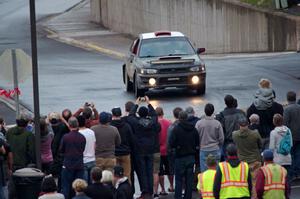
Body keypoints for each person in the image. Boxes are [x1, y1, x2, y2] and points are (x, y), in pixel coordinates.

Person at [127, 96, 161, 198]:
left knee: (142, 171)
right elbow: (155, 115)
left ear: (139, 114)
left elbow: (130, 116)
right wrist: (148, 103)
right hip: (150, 149)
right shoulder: (152, 122)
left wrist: (136, 104)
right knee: (150, 170)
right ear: (147, 114)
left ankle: (145, 191)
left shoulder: (136, 122)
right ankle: (150, 191)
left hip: (140, 150)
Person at [169, 111, 199, 199]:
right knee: (189, 180)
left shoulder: (176, 129)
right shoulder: (193, 129)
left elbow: (171, 143)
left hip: (180, 157)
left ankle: (178, 197)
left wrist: (177, 147)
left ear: (179, 118)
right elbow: (197, 142)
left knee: (178, 180)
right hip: (191, 157)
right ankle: (188, 196)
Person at [247, 79, 283, 150]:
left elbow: (248, 119)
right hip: (273, 134)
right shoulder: (278, 107)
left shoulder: (253, 106)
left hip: (258, 134)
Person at [232, 117, 262, 198]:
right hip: (255, 160)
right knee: (254, 182)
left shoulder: (234, 134)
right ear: (248, 124)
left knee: (242, 182)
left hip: (242, 162)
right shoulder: (255, 133)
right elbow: (260, 145)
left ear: (239, 125)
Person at [60, 117, 86, 199]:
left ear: (69, 125)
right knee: (78, 187)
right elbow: (83, 149)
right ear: (77, 124)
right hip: (79, 164)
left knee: (66, 186)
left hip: (68, 164)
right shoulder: (82, 137)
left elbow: (61, 149)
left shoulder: (66, 137)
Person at [196, 103, 224, 172]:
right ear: (213, 111)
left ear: (205, 111)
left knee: (204, 171)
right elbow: (221, 138)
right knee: (216, 171)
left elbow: (196, 137)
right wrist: (219, 146)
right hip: (215, 149)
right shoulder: (217, 123)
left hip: (203, 149)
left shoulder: (199, 123)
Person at [216, 95, 246, 160]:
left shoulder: (222, 115)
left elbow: (220, 129)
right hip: (240, 140)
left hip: (228, 141)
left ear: (225, 103)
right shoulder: (241, 113)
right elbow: (246, 124)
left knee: (227, 160)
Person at [110, 107, 134, 182]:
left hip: (114, 153)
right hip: (125, 153)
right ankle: (127, 191)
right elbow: (131, 139)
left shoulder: (110, 126)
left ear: (113, 115)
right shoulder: (126, 126)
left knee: (115, 175)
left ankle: (115, 191)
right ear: (120, 114)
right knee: (127, 174)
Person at [154, 107, 172, 197]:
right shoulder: (169, 123)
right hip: (168, 150)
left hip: (157, 151)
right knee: (169, 170)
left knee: (159, 171)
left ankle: (163, 189)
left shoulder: (155, 124)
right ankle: (172, 186)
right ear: (163, 113)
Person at [269, 114, 293, 181]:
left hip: (277, 159)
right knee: (287, 179)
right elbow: (291, 144)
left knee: (279, 179)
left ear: (274, 122)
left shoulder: (273, 132)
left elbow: (271, 147)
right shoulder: (288, 130)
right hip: (287, 158)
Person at [166, 107, 183, 193]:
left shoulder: (171, 127)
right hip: (184, 152)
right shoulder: (186, 126)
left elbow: (169, 141)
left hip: (174, 152)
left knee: (172, 170)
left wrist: (169, 151)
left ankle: (172, 186)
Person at [284, 91, 300, 179]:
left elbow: (285, 123)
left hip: (291, 135)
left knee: (292, 154)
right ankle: (298, 172)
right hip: (299, 134)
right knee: (298, 153)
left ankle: (293, 173)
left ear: (287, 98)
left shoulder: (287, 109)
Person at [77, 115, 96, 184]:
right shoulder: (91, 132)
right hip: (92, 159)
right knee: (93, 182)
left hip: (83, 160)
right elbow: (94, 145)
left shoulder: (78, 134)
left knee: (84, 184)